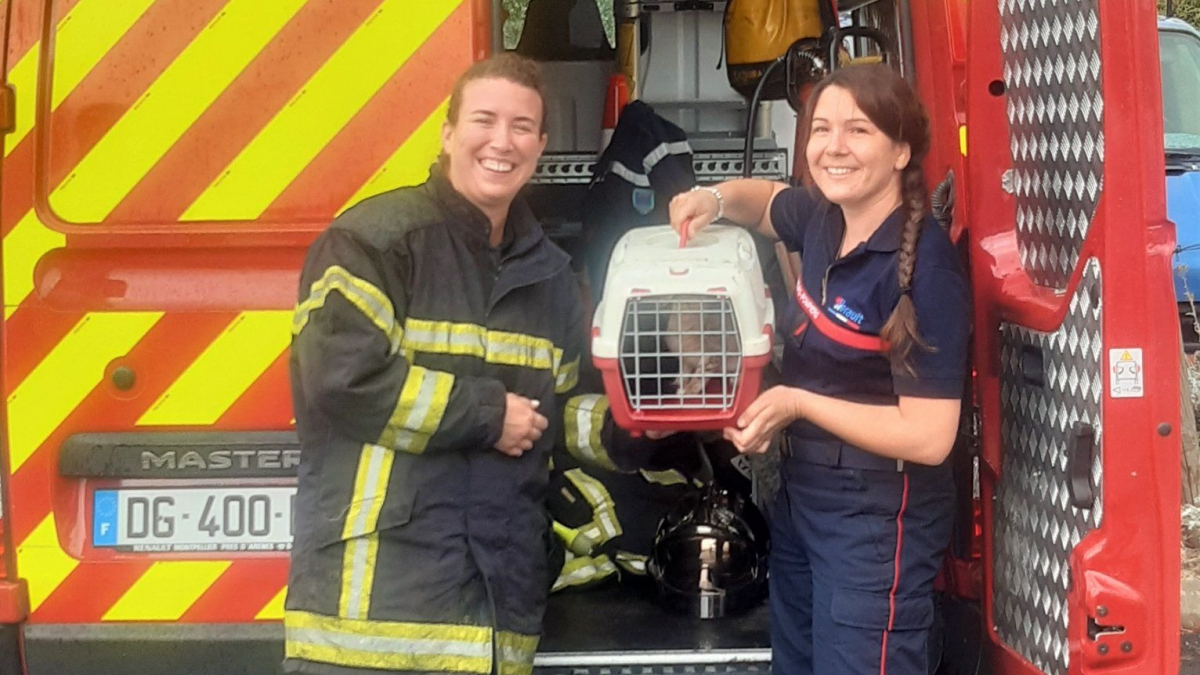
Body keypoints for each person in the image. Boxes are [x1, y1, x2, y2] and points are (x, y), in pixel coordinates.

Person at [284, 53, 582, 675]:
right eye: (484, 120)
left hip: (494, 620)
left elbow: (567, 415)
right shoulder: (375, 241)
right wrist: (487, 412)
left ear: (542, 145)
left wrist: (652, 424)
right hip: (370, 621)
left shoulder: (551, 274)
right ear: (447, 134)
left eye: (522, 126)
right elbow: (343, 380)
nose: (502, 141)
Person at [668, 64, 970, 674]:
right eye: (821, 128)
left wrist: (796, 404)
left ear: (901, 150)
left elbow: (929, 438)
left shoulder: (926, 272)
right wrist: (714, 199)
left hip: (877, 519)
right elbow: (764, 203)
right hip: (804, 498)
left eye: (858, 131)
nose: (833, 147)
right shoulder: (823, 218)